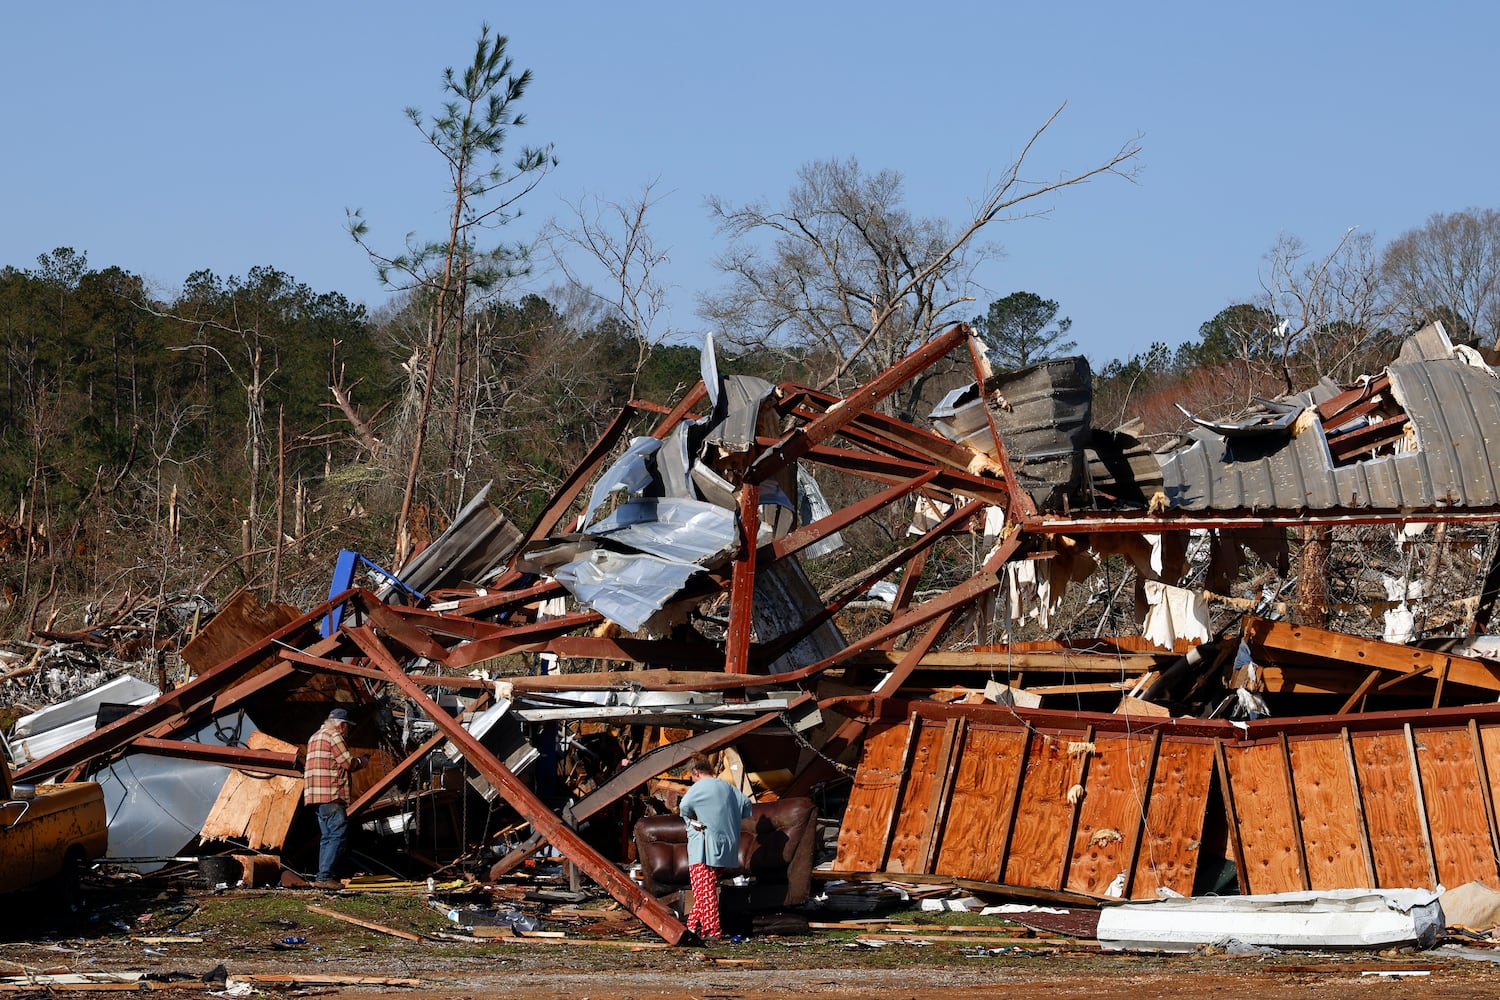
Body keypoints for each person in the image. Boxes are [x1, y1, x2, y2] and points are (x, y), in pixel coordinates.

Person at [677, 755, 753, 943]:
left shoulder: (698, 788)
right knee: (704, 891)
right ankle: (691, 927)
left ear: (695, 772)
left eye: (691, 775)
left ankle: (713, 930)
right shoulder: (728, 787)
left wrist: (693, 819)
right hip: (726, 847)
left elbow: (683, 807)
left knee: (704, 891)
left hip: (703, 847)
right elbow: (746, 805)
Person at [302, 707, 367, 889]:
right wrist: (363, 761)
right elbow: (348, 763)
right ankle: (325, 877)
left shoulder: (314, 737)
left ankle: (323, 875)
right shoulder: (334, 736)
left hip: (315, 796)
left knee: (328, 836)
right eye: (348, 727)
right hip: (331, 794)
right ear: (342, 725)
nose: (348, 731)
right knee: (338, 834)